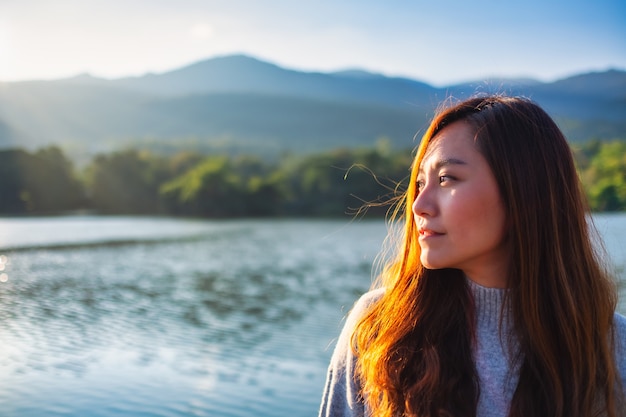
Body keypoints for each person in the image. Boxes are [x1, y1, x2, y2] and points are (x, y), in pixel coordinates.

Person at [318, 95, 626, 417]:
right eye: (420, 182)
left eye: (446, 178)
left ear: (523, 191)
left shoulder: (613, 349)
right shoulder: (380, 329)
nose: (418, 205)